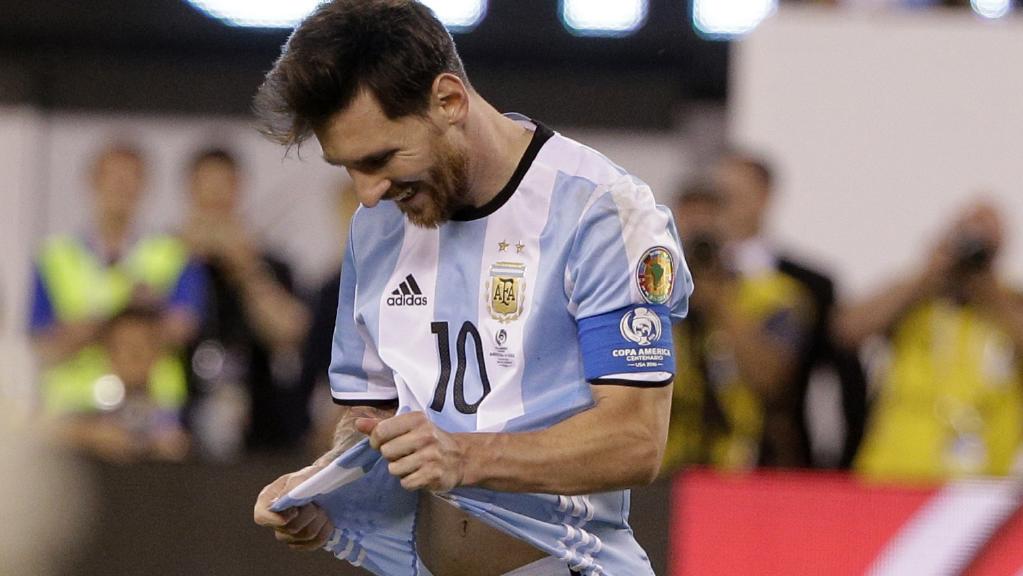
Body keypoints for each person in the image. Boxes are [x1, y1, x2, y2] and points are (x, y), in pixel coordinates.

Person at [250, 2, 692, 575]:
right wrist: (329, 487)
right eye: (348, 167)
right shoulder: (374, 226)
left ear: (449, 100)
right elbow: (372, 413)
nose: (366, 192)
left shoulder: (602, 211)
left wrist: (464, 456)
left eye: (381, 158)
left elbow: (635, 440)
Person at [837, 201, 1023, 481]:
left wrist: (988, 291)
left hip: (984, 480)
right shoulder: (916, 299)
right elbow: (847, 331)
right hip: (895, 474)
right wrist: (926, 276)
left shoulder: (1011, 302)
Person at [711, 152, 866, 468]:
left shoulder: (810, 285)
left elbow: (841, 380)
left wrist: (844, 462)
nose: (722, 210)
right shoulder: (682, 277)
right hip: (698, 456)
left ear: (764, 198)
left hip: (778, 458)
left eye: (732, 197)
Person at [29, 143, 204, 423]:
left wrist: (148, 313)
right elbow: (43, 346)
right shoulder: (55, 257)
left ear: (145, 185)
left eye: (131, 178)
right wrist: (119, 313)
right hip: (74, 410)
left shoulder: (173, 254)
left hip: (153, 410)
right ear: (92, 181)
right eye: (113, 177)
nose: (122, 187)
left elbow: (182, 328)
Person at [181, 147, 311, 455]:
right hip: (180, 428)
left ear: (239, 188)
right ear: (190, 190)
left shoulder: (270, 265)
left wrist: (245, 266)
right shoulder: (166, 260)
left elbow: (290, 332)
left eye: (224, 185)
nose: (215, 197)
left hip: (261, 428)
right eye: (206, 186)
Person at [52, 305, 191, 462]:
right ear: (105, 349)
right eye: (124, 347)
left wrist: (159, 441)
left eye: (144, 347)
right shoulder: (78, 379)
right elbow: (42, 428)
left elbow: (170, 432)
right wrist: (88, 433)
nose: (133, 358)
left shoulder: (169, 375)